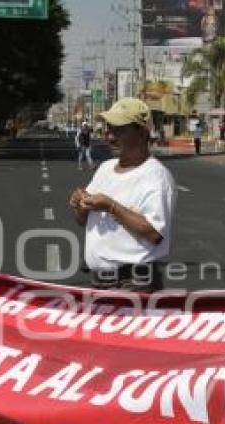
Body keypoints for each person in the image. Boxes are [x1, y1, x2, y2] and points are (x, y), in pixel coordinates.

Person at [68, 97, 176, 292]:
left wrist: (111, 207)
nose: (109, 137)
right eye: (108, 130)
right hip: (101, 281)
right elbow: (82, 220)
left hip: (133, 283)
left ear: (142, 133)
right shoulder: (105, 169)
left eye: (118, 130)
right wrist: (80, 205)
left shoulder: (156, 176)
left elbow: (155, 234)